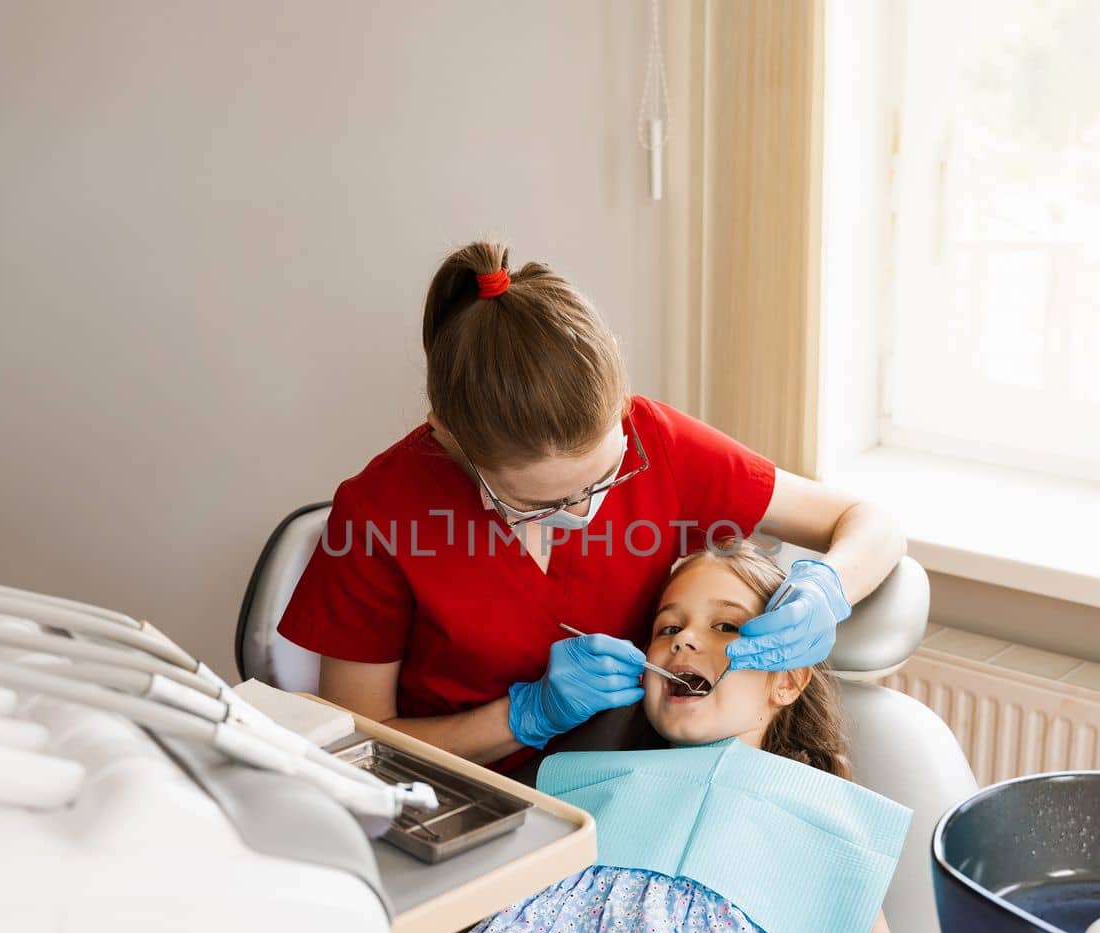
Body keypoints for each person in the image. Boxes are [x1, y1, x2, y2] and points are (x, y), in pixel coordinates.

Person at [279, 240, 905, 772]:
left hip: (629, 787)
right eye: (536, 504)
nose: (583, 511)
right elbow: (356, 747)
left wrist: (827, 587)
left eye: (604, 478)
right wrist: (522, 717)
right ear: (448, 436)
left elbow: (869, 525)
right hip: (466, 798)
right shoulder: (381, 514)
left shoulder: (656, 441)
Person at [303, 545, 930, 933]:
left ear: (788, 678)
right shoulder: (586, 778)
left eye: (726, 625)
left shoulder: (815, 803)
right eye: (667, 627)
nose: (685, 641)